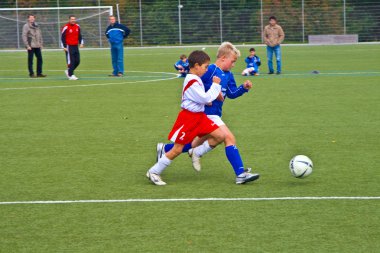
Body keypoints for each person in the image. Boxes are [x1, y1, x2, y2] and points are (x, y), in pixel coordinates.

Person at [157, 42, 260, 185]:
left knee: (194, 142)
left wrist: (243, 88)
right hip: (205, 114)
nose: (233, 65)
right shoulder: (209, 70)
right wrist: (209, 96)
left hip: (215, 115)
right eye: (233, 61)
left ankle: (165, 149)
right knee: (228, 137)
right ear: (223, 58)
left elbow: (231, 94)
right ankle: (240, 173)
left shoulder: (228, 75)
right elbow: (197, 85)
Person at [146, 50, 225, 186]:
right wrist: (216, 85)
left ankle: (196, 152)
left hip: (200, 117)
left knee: (220, 136)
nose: (206, 70)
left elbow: (201, 98)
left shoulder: (196, 79)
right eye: (205, 67)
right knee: (177, 149)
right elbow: (204, 97)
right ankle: (154, 171)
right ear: (196, 65)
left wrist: (205, 101)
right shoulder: (191, 80)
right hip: (189, 118)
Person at [61, 15, 84, 80]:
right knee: (71, 61)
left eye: (74, 19)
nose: (73, 20)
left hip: (75, 46)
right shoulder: (66, 27)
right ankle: (71, 75)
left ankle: (68, 71)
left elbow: (79, 35)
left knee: (77, 61)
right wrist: (64, 46)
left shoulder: (77, 26)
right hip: (68, 46)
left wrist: (81, 43)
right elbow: (62, 37)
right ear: (69, 20)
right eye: (72, 19)